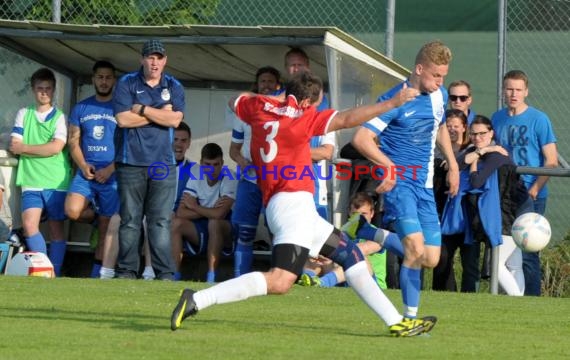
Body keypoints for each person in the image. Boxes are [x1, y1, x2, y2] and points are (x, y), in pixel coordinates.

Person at [171, 71, 437, 337]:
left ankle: (396, 322)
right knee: (280, 281)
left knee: (350, 255)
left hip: (290, 206)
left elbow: (234, 100)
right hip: (292, 206)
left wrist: (275, 99)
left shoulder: (258, 107)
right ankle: (198, 299)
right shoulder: (303, 117)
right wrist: (391, 103)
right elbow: (346, 118)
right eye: (317, 103)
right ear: (308, 103)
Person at [352, 41, 459, 321]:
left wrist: (453, 165)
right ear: (419, 69)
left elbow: (439, 128)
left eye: (443, 76)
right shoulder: (395, 100)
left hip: (424, 185)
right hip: (400, 184)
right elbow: (361, 139)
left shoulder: (440, 96)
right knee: (413, 248)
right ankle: (409, 319)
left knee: (431, 259)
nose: (440, 82)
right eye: (435, 75)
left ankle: (372, 233)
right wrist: (388, 166)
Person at [113, 39, 185, 280]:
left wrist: (142, 109)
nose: (154, 62)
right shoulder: (126, 82)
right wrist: (159, 113)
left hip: (162, 164)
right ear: (142, 59)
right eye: (150, 57)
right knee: (130, 221)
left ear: (165, 60)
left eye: (159, 58)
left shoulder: (174, 85)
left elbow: (175, 120)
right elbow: (123, 120)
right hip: (130, 162)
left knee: (161, 222)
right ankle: (126, 272)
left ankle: (164, 274)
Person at [442, 115, 533, 296]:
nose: (478, 138)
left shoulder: (497, 155)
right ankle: (518, 300)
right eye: (473, 134)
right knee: (511, 264)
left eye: (482, 133)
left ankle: (517, 301)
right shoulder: (479, 150)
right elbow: (450, 165)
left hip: (514, 210)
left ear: (491, 133)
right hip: (503, 210)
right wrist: (479, 152)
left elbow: (476, 182)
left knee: (497, 265)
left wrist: (475, 160)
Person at [491, 70, 558, 296]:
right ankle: (508, 296)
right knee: (504, 250)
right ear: (503, 91)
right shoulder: (497, 118)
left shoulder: (539, 119)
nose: (513, 94)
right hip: (504, 192)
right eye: (509, 89)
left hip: (530, 193)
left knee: (529, 250)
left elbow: (550, 160)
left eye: (518, 89)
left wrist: (535, 188)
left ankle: (532, 299)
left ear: (526, 92)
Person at [9, 68, 71, 277]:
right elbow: (13, 143)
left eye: (48, 89)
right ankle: (45, 272)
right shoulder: (23, 113)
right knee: (29, 226)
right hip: (30, 179)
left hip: (55, 180)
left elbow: (55, 148)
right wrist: (41, 148)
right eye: (40, 89)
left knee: (55, 230)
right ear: (33, 90)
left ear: (53, 91)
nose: (44, 93)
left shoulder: (60, 117)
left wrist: (26, 148)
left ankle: (54, 273)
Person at [64, 60, 119, 279]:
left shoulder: (120, 108)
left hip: (111, 175)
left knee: (106, 230)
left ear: (113, 80)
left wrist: (111, 168)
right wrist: (83, 165)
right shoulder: (81, 108)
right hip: (86, 174)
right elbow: (73, 141)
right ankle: (95, 215)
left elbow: (128, 144)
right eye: (100, 77)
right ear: (93, 79)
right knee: (72, 210)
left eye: (108, 77)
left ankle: (97, 276)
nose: (104, 81)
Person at [230, 66, 281, 278]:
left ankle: (278, 277)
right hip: (250, 181)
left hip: (275, 182)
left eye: (271, 82)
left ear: (278, 86)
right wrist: (242, 161)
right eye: (263, 82)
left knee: (277, 231)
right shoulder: (244, 113)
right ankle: (239, 277)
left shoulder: (283, 111)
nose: (266, 86)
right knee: (244, 231)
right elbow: (233, 149)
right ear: (256, 85)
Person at [172, 143, 237, 283]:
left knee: (214, 223)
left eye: (216, 164)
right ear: (201, 163)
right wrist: (209, 211)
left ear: (222, 164)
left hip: (226, 230)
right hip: (202, 226)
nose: (212, 169)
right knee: (176, 223)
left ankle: (211, 277)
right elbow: (181, 212)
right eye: (208, 164)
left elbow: (220, 215)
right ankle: (174, 275)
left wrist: (195, 207)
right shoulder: (196, 172)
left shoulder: (230, 176)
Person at [432, 109, 481, 292]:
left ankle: (471, 297)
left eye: (456, 126)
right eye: (448, 126)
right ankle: (445, 294)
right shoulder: (436, 152)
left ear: (464, 128)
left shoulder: (472, 149)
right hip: (443, 212)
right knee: (442, 257)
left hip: (466, 213)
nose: (452, 130)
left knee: (470, 261)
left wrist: (454, 163)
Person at [171, 122, 193, 280]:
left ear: (189, 143)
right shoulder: (154, 166)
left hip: (180, 220)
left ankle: (173, 276)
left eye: (183, 140)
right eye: (175, 139)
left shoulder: (195, 170)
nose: (179, 144)